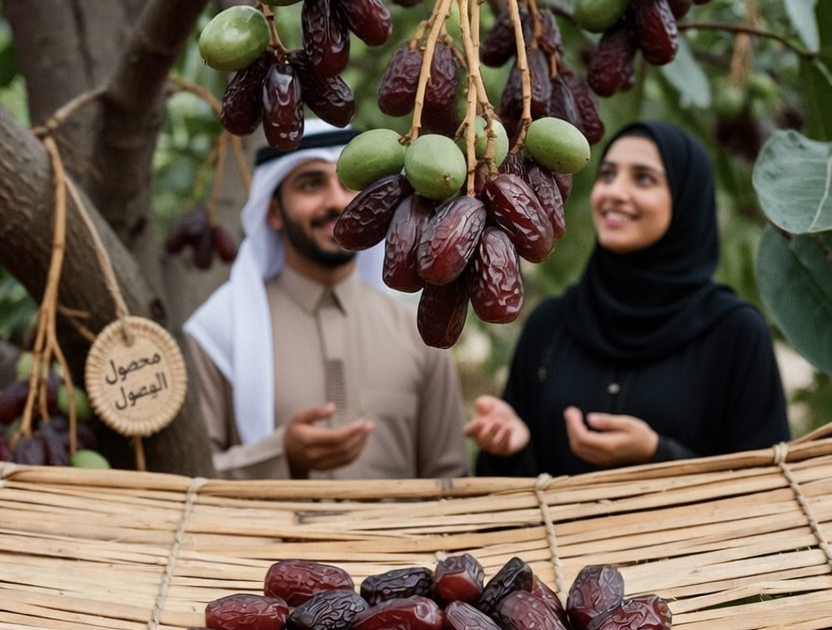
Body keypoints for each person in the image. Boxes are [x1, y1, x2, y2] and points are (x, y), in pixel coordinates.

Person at [467, 119, 790, 477]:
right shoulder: (551, 325)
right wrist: (510, 449)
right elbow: (508, 492)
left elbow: (770, 485)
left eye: (644, 178)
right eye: (607, 175)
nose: (615, 192)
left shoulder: (735, 333)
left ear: (686, 199)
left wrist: (657, 454)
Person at [184, 120, 470, 481]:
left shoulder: (418, 332)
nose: (336, 201)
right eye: (311, 184)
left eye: (351, 187)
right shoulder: (218, 332)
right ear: (273, 211)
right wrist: (280, 454)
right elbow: (189, 473)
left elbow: (451, 478)